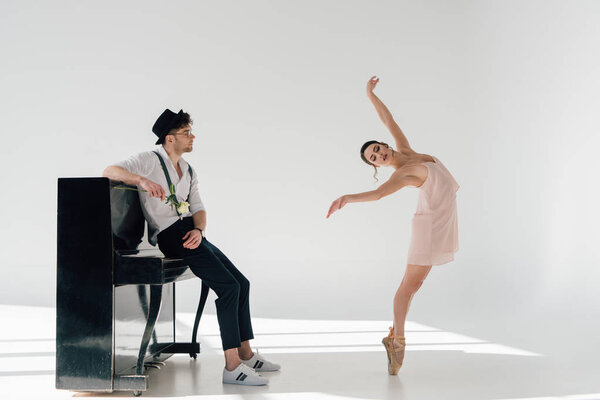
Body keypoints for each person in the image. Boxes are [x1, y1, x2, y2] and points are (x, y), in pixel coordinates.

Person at [103, 109, 280, 386]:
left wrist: (199, 230)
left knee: (241, 283)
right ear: (170, 138)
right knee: (228, 288)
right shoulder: (149, 160)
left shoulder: (188, 169)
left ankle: (245, 354)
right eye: (187, 133)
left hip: (190, 232)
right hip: (170, 236)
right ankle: (232, 367)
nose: (192, 137)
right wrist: (141, 180)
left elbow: (197, 208)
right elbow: (109, 171)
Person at [326, 77, 459, 375]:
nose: (379, 154)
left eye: (377, 149)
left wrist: (370, 94)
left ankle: (395, 337)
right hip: (429, 228)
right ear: (378, 166)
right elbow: (377, 195)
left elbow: (388, 119)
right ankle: (397, 339)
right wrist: (347, 197)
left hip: (440, 220)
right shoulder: (399, 174)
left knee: (415, 284)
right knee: (409, 285)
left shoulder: (406, 151)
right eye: (374, 158)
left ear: (384, 144)